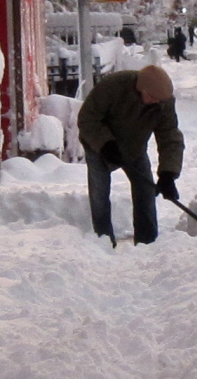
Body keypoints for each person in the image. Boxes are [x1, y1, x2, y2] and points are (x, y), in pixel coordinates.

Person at [77, 63, 183, 245]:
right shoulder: (113, 86)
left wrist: (168, 174)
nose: (156, 101)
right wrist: (105, 144)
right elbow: (87, 118)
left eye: (160, 99)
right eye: (152, 97)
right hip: (99, 148)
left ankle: (147, 241)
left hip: (134, 148)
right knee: (99, 197)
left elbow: (169, 136)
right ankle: (103, 241)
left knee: (145, 192)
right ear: (141, 89)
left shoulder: (163, 101)